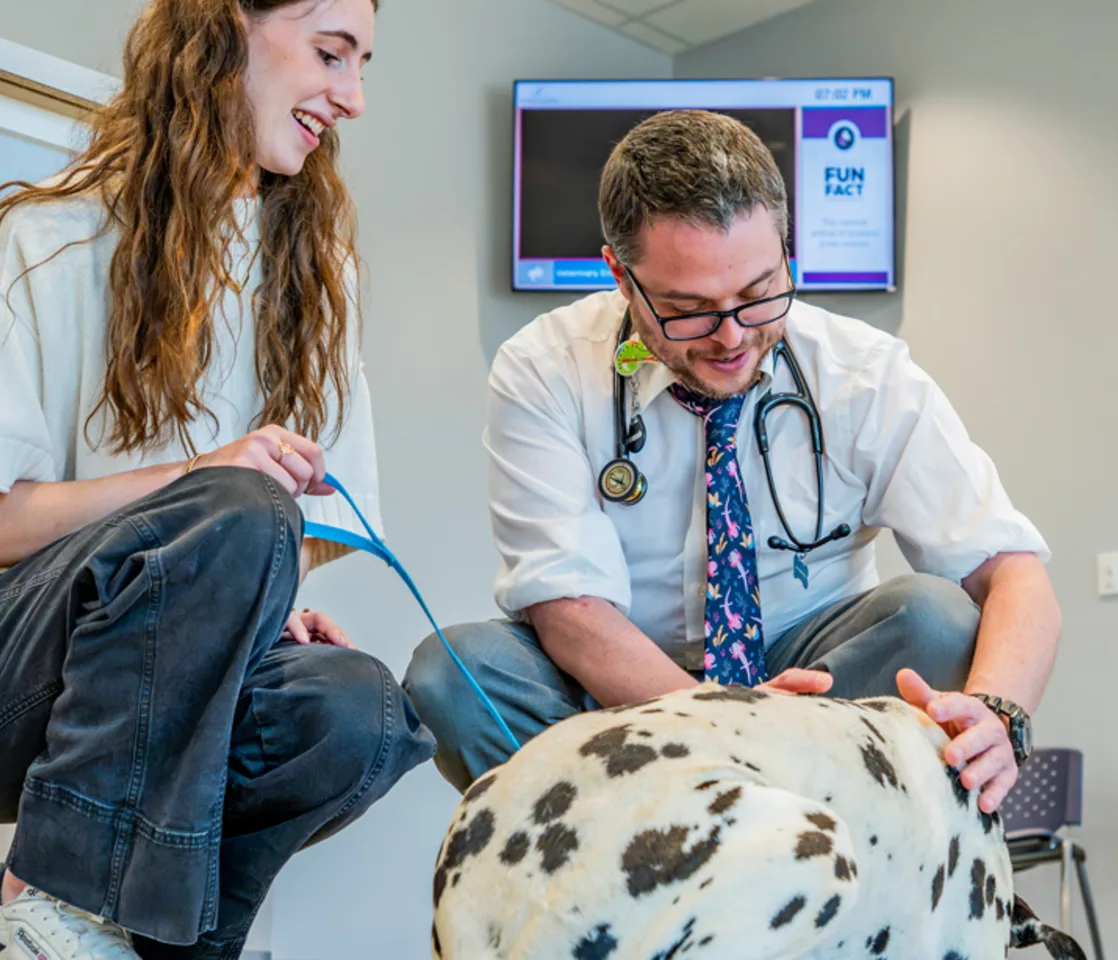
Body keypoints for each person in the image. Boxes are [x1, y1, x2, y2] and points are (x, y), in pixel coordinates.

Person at [0, 2, 433, 958]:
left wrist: (247, 594)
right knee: (236, 507)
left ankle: (160, 946)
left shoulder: (315, 276)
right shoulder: (53, 233)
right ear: (224, 30)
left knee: (358, 711)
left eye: (362, 65)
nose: (354, 98)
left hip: (172, 682)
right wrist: (200, 492)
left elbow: (302, 529)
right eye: (330, 54)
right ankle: (38, 899)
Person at [405, 110, 1061, 814]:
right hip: (621, 696)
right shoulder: (546, 368)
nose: (732, 337)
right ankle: (630, 840)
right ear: (621, 276)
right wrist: (722, 726)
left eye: (757, 295)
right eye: (688, 309)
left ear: (785, 251)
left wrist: (1000, 714)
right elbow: (570, 610)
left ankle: (763, 813)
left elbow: (1012, 573)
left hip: (818, 690)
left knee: (937, 617)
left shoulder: (863, 374)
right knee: (455, 673)